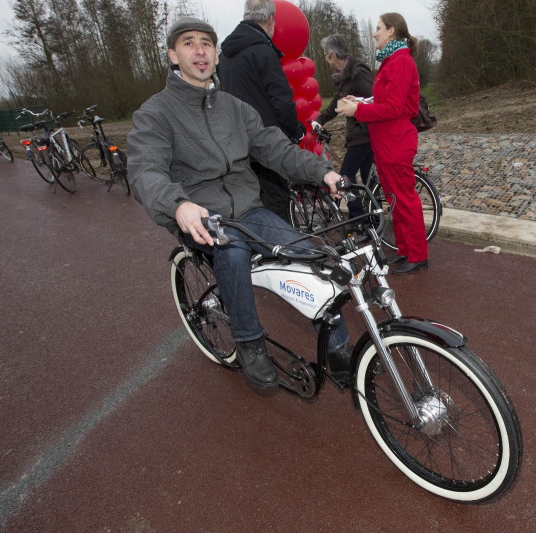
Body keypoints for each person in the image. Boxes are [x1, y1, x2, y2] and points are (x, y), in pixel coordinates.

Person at [128, 17, 350, 391]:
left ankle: (339, 345)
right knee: (230, 251)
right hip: (201, 214)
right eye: (188, 43)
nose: (200, 50)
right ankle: (248, 342)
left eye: (206, 43)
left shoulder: (235, 108)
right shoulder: (155, 113)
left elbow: (276, 148)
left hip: (249, 209)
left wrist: (323, 172)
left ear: (216, 55)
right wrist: (178, 204)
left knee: (307, 253)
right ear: (172, 54)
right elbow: (145, 171)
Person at [336, 13, 428, 274]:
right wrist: (362, 102)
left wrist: (358, 111)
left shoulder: (400, 62)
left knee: (404, 198)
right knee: (394, 198)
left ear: (391, 31)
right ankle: (405, 249)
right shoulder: (391, 60)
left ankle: (418, 254)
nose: (374, 33)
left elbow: (394, 107)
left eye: (378, 29)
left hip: (396, 140)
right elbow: (383, 100)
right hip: (386, 140)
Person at [217, 0, 306, 221]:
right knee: (277, 200)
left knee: (252, 202)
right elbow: (282, 100)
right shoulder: (263, 51)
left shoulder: (224, 55)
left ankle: (261, 250)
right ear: (270, 20)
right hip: (266, 141)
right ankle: (283, 252)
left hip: (237, 142)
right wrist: (295, 130)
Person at [311, 34, 374, 221]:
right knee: (366, 178)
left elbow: (374, 97)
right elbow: (336, 105)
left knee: (345, 176)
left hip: (364, 133)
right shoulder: (345, 75)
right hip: (360, 133)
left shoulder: (357, 72)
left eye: (325, 54)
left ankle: (358, 218)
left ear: (332, 55)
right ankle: (372, 215)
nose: (324, 58)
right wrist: (319, 120)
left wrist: (357, 106)